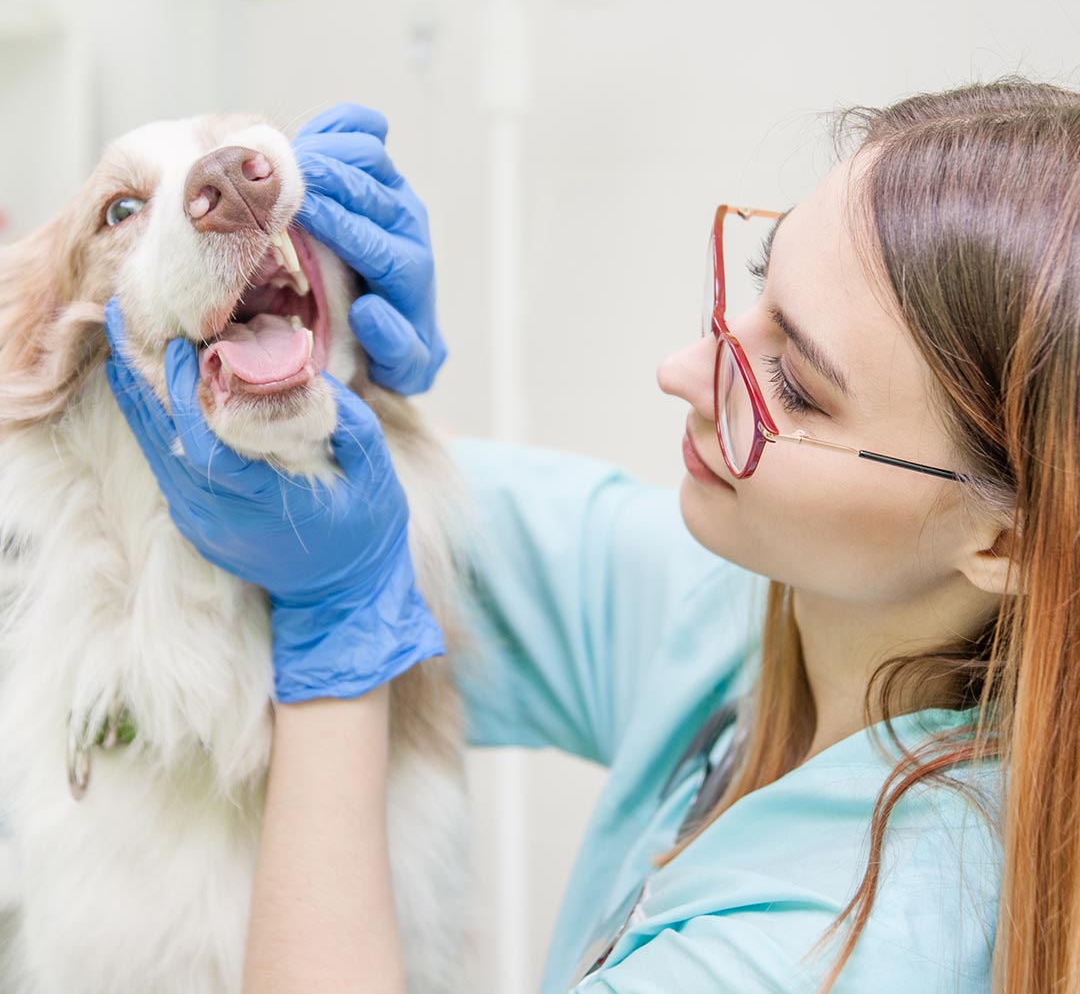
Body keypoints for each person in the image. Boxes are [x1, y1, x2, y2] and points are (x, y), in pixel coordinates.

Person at [102, 77, 1079, 993]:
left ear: (1003, 545)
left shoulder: (835, 953)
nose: (683, 368)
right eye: (755, 286)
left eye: (795, 385)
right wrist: (333, 376)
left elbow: (353, 572)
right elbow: (378, 526)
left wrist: (339, 629)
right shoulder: (751, 618)